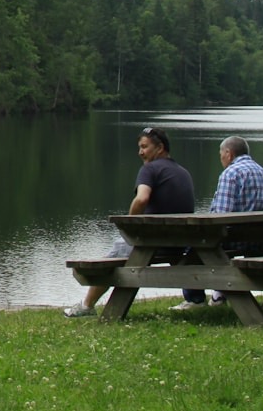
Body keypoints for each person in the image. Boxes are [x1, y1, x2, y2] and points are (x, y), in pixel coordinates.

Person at [64, 126, 197, 317]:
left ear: (159, 148)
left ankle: (86, 306)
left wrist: (129, 224)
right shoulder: (183, 172)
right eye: (140, 147)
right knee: (123, 254)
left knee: (112, 259)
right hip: (179, 244)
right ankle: (195, 298)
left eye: (145, 147)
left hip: (153, 243)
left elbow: (141, 199)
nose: (140, 152)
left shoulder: (149, 169)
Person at [205, 135, 263, 305]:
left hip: (236, 241)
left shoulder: (231, 173)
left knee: (192, 244)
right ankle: (220, 292)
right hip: (260, 241)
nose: (221, 158)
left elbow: (221, 217)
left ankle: (196, 298)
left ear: (229, 153)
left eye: (221, 154)